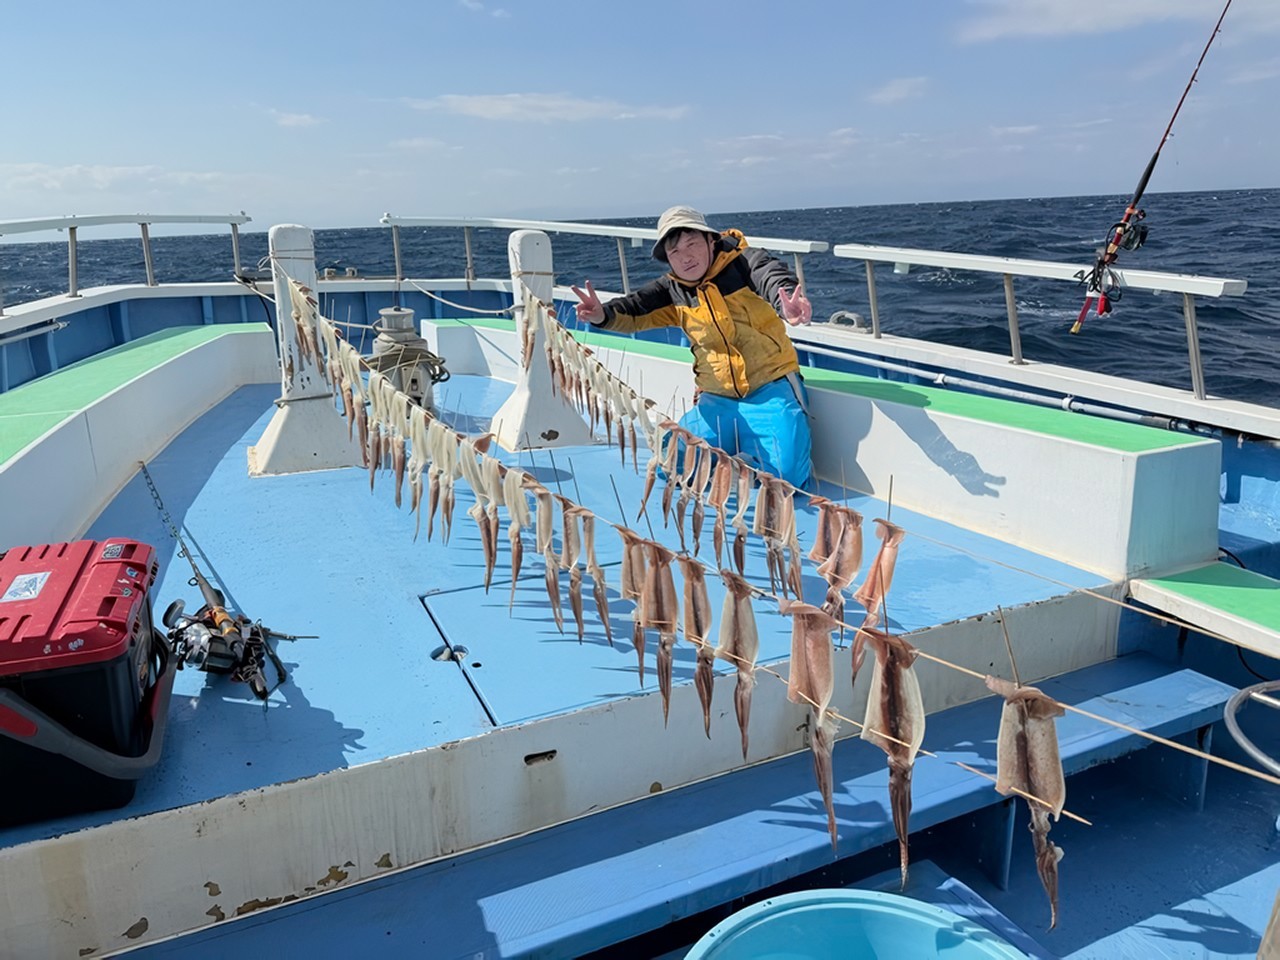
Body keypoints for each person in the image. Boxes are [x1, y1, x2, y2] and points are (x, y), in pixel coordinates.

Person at [572, 205, 814, 488]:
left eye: (692, 244)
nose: (685, 257)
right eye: (674, 252)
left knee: (789, 481)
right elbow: (634, 308)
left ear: (711, 240)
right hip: (716, 399)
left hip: (769, 389)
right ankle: (740, 460)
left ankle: (747, 458)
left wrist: (787, 304)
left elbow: (771, 276)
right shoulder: (671, 291)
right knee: (670, 463)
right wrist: (602, 315)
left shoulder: (745, 262)